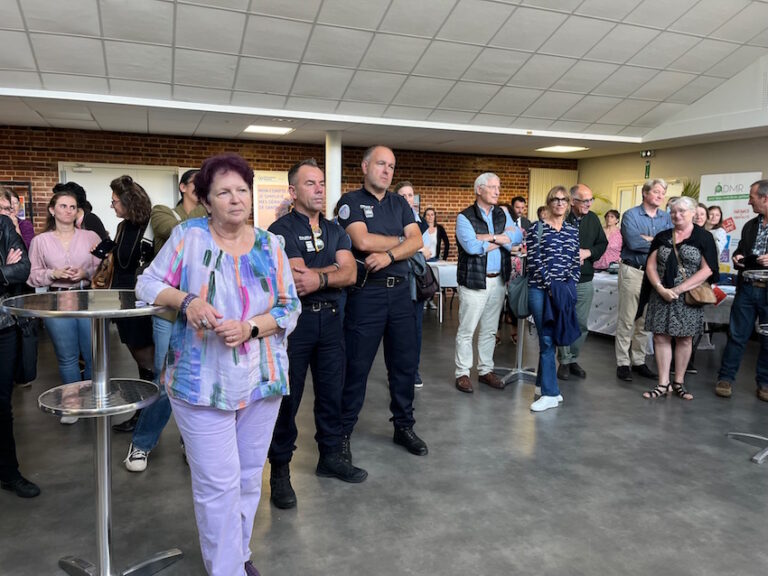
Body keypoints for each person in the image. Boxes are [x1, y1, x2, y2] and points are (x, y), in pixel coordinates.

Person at [136, 153, 300, 576]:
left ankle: (238, 555)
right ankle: (225, 569)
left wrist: (250, 328)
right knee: (217, 484)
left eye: (242, 190)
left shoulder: (270, 245)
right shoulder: (189, 238)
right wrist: (185, 300)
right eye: (223, 192)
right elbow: (147, 283)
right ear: (206, 201)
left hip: (261, 378)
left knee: (247, 478)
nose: (235, 199)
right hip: (201, 380)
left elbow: (290, 307)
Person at [267, 158, 363, 510]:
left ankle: (330, 458)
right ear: (293, 191)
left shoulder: (337, 229)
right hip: (297, 325)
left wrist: (322, 276)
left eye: (322, 182)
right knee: (287, 400)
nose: (320, 189)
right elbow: (297, 280)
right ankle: (280, 472)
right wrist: (332, 271)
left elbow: (350, 273)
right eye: (311, 184)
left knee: (331, 395)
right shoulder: (280, 230)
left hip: (333, 322)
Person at [336, 145, 428, 459]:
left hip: (402, 293)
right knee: (356, 367)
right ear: (365, 167)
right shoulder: (350, 202)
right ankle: (341, 433)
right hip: (368, 294)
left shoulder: (400, 204)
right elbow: (361, 241)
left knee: (403, 365)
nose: (387, 170)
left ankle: (403, 426)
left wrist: (390, 252)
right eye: (380, 164)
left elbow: (418, 241)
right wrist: (403, 242)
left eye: (391, 165)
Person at [123, 169, 207, 472]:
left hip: (202, 314)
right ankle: (142, 442)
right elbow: (180, 233)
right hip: (169, 313)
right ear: (183, 186)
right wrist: (207, 210)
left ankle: (190, 442)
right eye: (198, 184)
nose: (203, 189)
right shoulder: (162, 211)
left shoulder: (210, 217)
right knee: (166, 381)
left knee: (195, 382)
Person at [27, 190, 102, 424]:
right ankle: (71, 405)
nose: (68, 211)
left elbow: (104, 269)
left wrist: (86, 273)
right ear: (52, 210)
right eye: (63, 206)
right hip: (56, 300)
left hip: (86, 297)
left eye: (72, 207)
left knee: (92, 355)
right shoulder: (41, 241)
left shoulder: (90, 236)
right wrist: (53, 273)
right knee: (67, 356)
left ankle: (92, 401)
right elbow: (32, 275)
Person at [640, 196, 719, 401]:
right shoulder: (662, 236)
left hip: (688, 297)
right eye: (673, 211)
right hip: (661, 294)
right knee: (660, 337)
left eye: (682, 211)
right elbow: (651, 266)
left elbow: (708, 269)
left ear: (693, 213)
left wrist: (678, 289)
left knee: (684, 339)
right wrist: (660, 287)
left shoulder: (704, 237)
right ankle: (663, 383)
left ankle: (679, 382)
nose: (676, 215)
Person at [454, 173, 522, 393]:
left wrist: (486, 237)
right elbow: (472, 248)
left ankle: (485, 371)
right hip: (474, 281)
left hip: (498, 281)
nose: (497, 191)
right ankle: (462, 373)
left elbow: (517, 238)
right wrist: (500, 238)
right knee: (467, 330)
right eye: (492, 187)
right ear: (479, 190)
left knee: (490, 330)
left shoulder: (502, 213)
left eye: (498, 187)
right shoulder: (464, 217)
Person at [526, 186, 580, 412]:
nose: (559, 203)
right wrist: (551, 286)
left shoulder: (571, 230)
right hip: (540, 290)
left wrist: (569, 285)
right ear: (548, 203)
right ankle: (551, 393)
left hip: (564, 291)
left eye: (563, 200)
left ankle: (542, 385)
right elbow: (534, 262)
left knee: (555, 337)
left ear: (568, 204)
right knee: (546, 338)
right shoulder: (536, 229)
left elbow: (575, 262)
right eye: (555, 199)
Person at [715, 179, 768, 401]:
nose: (749, 202)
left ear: (765, 199)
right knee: (737, 335)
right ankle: (725, 378)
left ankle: (764, 383)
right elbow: (741, 250)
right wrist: (738, 256)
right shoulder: (750, 225)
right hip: (746, 288)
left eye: (752, 197)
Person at [109, 175, 155, 433]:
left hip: (141, 299)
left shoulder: (150, 225)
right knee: (139, 360)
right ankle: (142, 414)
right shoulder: (122, 227)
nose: (113, 206)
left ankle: (146, 417)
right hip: (122, 298)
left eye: (115, 201)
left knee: (147, 361)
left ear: (128, 202)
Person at [615, 179, 673, 381]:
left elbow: (670, 243)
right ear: (645, 193)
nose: (660, 196)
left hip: (655, 274)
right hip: (633, 270)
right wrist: (657, 241)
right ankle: (623, 362)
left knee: (645, 321)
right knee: (627, 318)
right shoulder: (631, 215)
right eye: (656, 192)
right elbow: (632, 241)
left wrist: (649, 240)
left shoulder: (666, 217)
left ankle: (638, 360)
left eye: (663, 193)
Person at [0, 187, 37, 498]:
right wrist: (4, 270)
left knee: (2, 406)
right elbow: (10, 271)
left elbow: (22, 269)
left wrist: (8, 271)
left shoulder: (3, 227)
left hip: (3, 328)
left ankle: (9, 473)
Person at [556, 184, 607, 380]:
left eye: (590, 200)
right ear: (572, 201)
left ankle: (573, 358)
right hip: (562, 279)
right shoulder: (560, 218)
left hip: (584, 278)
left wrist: (589, 252)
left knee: (580, 323)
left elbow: (602, 243)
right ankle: (564, 360)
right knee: (564, 320)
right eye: (585, 200)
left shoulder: (593, 219)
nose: (589, 204)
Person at [395, 180, 428, 388]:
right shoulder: (392, 221)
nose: (408, 199)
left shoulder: (422, 223)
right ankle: (398, 373)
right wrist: (414, 249)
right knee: (396, 332)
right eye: (403, 195)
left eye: (411, 195)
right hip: (398, 280)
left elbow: (426, 250)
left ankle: (413, 371)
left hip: (416, 281)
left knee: (415, 329)